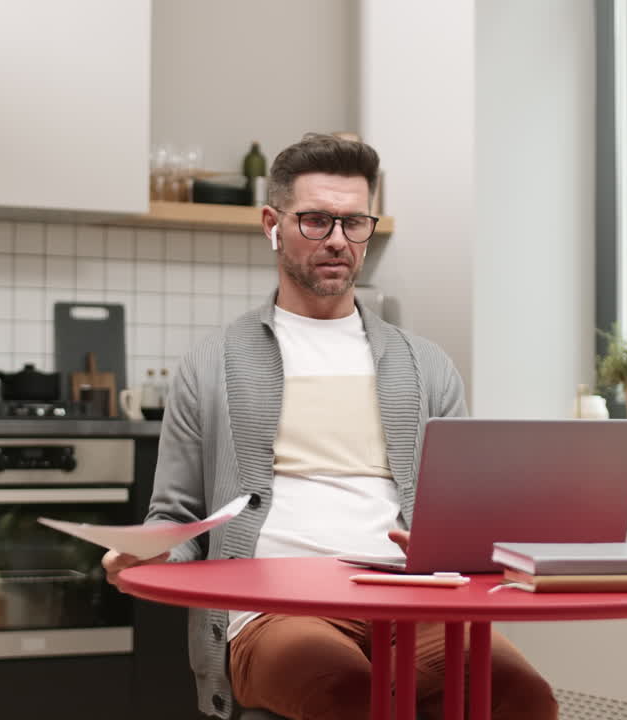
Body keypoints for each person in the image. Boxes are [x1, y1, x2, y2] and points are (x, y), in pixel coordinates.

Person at [103, 133, 558, 720]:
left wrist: (454, 548)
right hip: (275, 613)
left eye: (354, 223)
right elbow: (178, 520)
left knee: (523, 697)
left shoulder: (426, 367)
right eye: (316, 221)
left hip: (411, 603)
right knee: (343, 696)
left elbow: (463, 520)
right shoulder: (213, 362)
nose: (338, 241)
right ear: (272, 223)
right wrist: (150, 556)